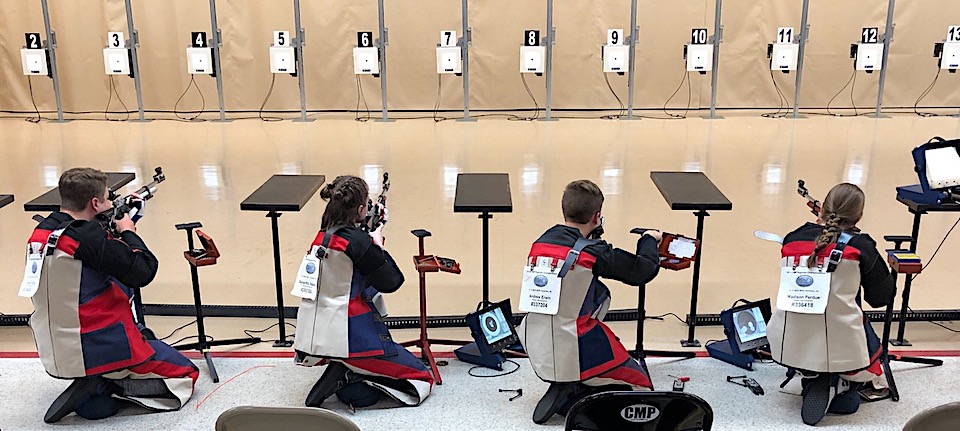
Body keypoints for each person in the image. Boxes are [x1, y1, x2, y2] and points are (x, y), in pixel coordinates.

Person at [25, 168, 198, 423]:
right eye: (106, 199)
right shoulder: (88, 238)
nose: (108, 203)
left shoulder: (43, 231)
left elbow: (89, 258)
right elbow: (143, 271)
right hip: (97, 341)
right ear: (94, 203)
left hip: (54, 343)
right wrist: (128, 230)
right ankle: (106, 383)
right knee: (186, 375)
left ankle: (102, 376)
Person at [517, 179, 663, 424]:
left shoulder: (540, 242)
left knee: (596, 293)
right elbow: (642, 271)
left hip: (535, 339)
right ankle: (580, 381)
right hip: (577, 341)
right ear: (597, 216)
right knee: (643, 388)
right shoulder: (592, 252)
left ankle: (574, 384)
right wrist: (649, 240)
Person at [294, 175, 433, 408]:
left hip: (319, 332)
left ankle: (347, 370)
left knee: (358, 396)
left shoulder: (323, 235)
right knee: (421, 378)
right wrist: (376, 242)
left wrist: (365, 233)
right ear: (360, 209)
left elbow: (348, 268)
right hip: (353, 335)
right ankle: (347, 366)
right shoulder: (358, 242)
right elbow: (392, 282)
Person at [767, 183, 894, 426]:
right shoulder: (861, 247)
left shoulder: (792, 240)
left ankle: (809, 374)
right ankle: (839, 382)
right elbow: (881, 298)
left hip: (787, 341)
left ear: (822, 208)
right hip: (843, 346)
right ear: (859, 215)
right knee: (851, 403)